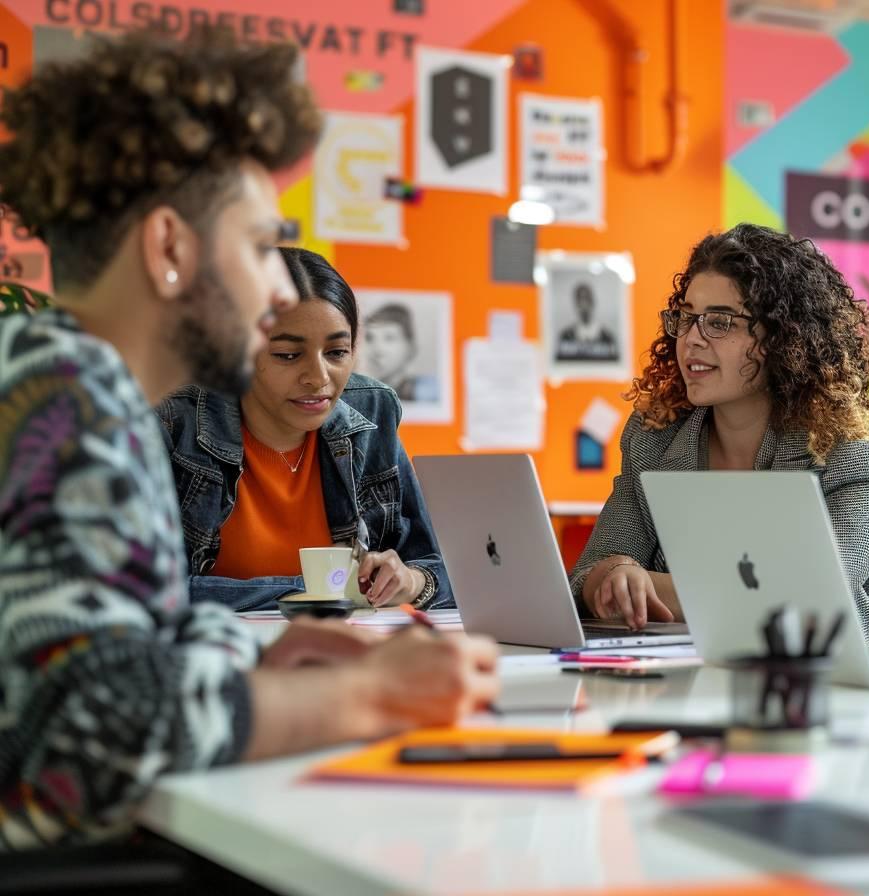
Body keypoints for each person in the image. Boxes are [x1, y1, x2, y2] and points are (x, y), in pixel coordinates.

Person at [0, 30, 497, 849]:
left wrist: (255, 655)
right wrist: (373, 695)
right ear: (169, 248)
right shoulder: (67, 404)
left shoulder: (66, 383)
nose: (276, 289)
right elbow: (88, 742)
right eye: (261, 245)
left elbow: (118, 651)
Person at [569, 223, 869, 646]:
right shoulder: (654, 438)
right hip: (682, 683)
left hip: (823, 691)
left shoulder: (855, 468)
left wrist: (644, 588)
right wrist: (615, 572)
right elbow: (589, 574)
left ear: (784, 338)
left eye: (720, 323)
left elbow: (806, 603)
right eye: (688, 318)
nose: (691, 339)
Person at [158, 248, 450, 611]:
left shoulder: (372, 411)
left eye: (337, 352)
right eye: (287, 355)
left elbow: (441, 570)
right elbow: (146, 593)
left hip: (349, 653)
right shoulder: (173, 419)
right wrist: (314, 592)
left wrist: (411, 582)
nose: (318, 378)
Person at [361, 302, 438, 403]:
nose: (377, 350)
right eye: (369, 338)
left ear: (410, 347)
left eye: (389, 338)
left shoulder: (430, 393)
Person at [556, 281, 617, 361]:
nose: (584, 304)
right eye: (580, 300)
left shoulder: (607, 337)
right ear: (576, 304)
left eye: (587, 299)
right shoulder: (566, 336)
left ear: (593, 302)